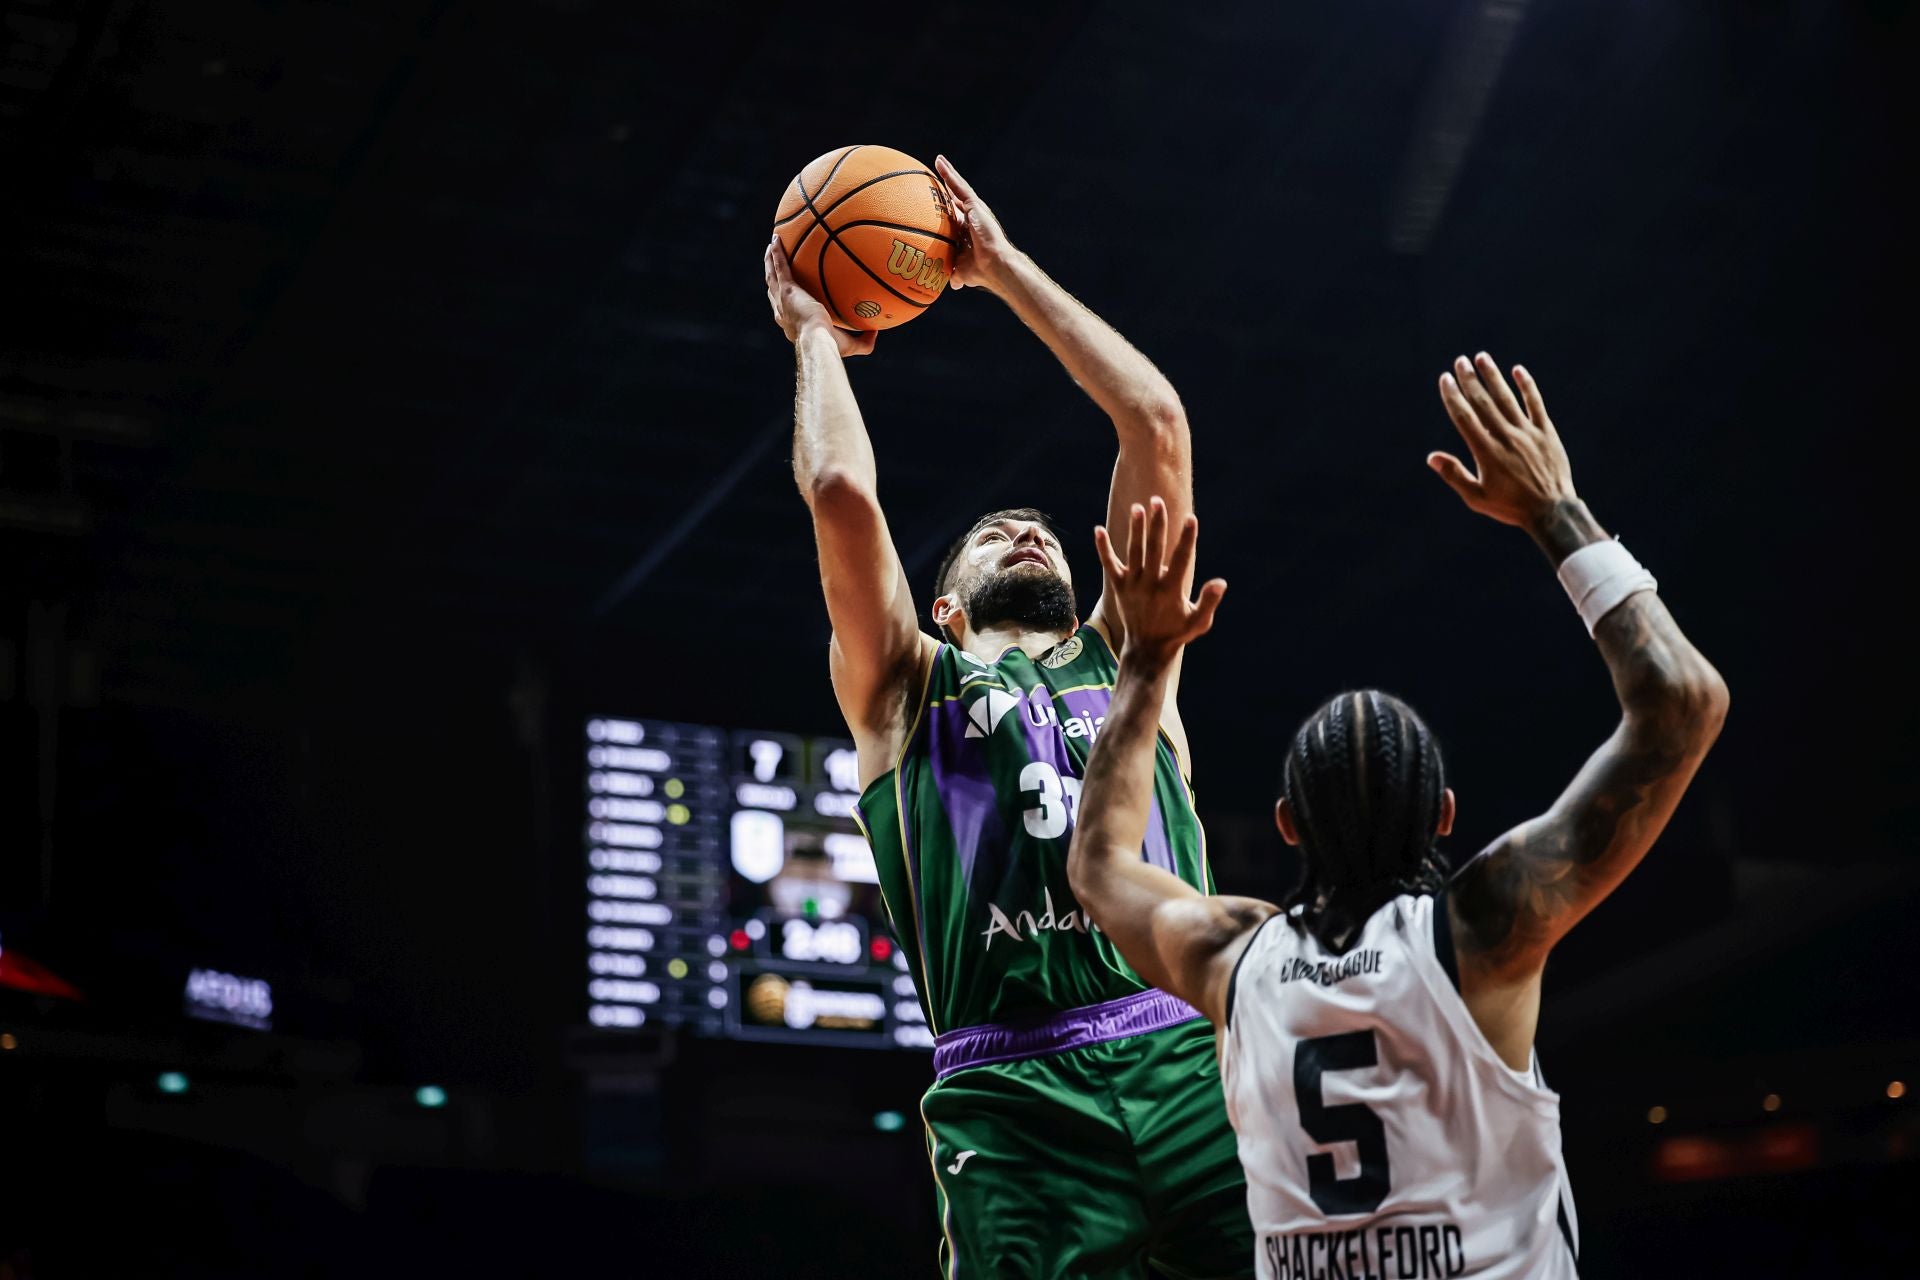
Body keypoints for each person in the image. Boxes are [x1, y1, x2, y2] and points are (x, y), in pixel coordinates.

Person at [1066, 354, 1729, 1279]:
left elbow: (1097, 864)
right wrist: (1555, 509)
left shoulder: (1233, 959)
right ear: (1446, 817)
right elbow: (1684, 703)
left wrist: (1142, 664)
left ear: (1287, 825)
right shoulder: (1484, 929)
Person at [765, 155, 1252, 1278]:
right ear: (942, 605)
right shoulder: (905, 686)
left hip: (1188, 1054)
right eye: (995, 534)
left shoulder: (1131, 657)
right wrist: (814, 336)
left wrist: (999, 266)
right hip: (1011, 1094)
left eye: (1041, 531)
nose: (1027, 532)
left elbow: (1154, 420)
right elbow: (839, 492)